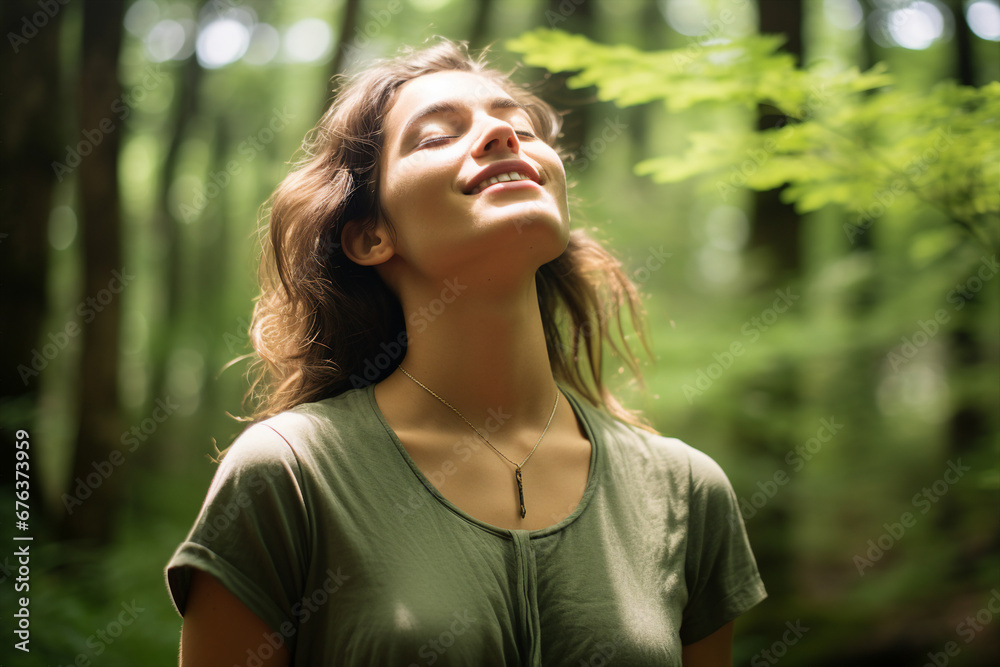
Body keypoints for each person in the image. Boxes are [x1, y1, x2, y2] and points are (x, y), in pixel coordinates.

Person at [165, 38, 766, 667]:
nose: (502, 136)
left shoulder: (687, 492)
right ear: (372, 236)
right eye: (435, 136)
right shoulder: (291, 476)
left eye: (521, 126)